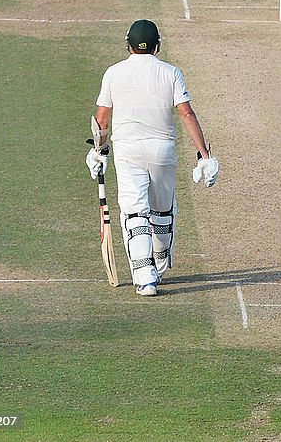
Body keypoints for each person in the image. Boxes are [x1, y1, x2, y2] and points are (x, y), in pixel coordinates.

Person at [86, 20, 220, 296]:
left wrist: (99, 150)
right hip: (162, 151)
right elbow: (186, 114)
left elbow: (101, 118)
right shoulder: (171, 72)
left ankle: (145, 276)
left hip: (128, 150)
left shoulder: (113, 73)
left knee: (134, 211)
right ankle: (159, 261)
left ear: (128, 44)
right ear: (157, 45)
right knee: (162, 209)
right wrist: (204, 156)